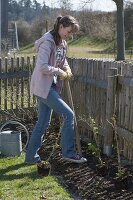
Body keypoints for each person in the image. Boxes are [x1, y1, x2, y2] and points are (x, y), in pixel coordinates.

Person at [25, 15, 87, 165]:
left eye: (72, 33)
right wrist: (60, 72)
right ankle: (69, 153)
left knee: (43, 123)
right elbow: (43, 66)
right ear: (60, 26)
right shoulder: (47, 42)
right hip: (43, 87)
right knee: (68, 115)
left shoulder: (62, 42)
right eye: (69, 31)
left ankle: (30, 157)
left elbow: (62, 59)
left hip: (51, 86)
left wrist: (67, 68)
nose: (70, 35)